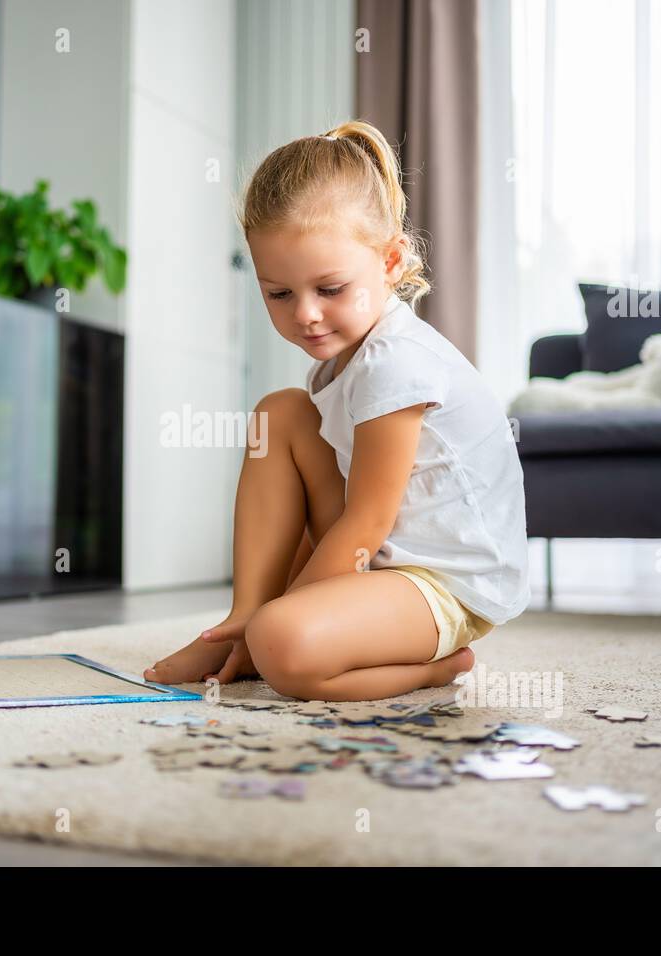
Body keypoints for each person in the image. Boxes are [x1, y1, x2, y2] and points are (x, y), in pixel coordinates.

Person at [144, 119, 529, 702]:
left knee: (283, 644)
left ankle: (438, 665)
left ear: (392, 262)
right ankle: (241, 617)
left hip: (443, 584)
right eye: (279, 293)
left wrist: (286, 615)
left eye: (330, 289)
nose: (306, 315)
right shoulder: (337, 364)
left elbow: (365, 523)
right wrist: (270, 605)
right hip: (381, 557)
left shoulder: (395, 361)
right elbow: (333, 516)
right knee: (280, 413)